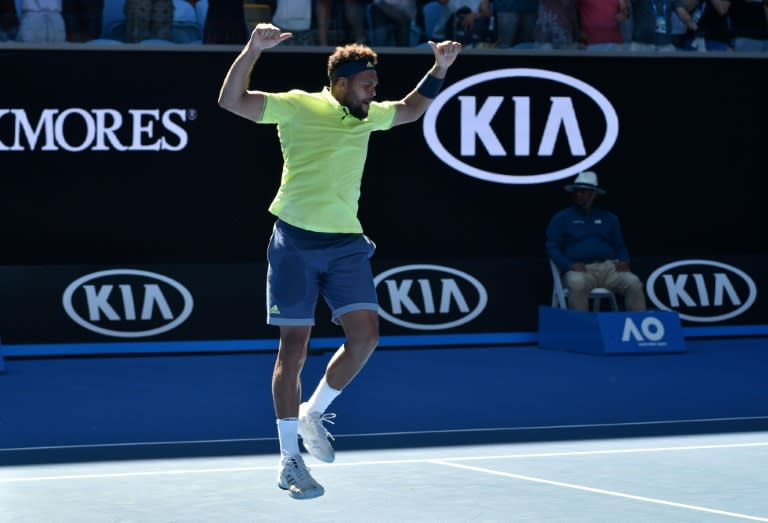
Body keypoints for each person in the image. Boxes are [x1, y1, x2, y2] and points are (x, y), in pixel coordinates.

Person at [218, 23, 462, 500]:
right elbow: (232, 100)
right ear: (342, 82)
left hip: (347, 243)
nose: (375, 92)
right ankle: (289, 459)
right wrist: (252, 49)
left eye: (376, 85)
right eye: (368, 84)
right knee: (293, 351)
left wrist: (441, 68)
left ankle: (314, 411)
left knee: (366, 337)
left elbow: (413, 109)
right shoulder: (298, 104)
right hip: (294, 240)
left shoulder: (368, 115)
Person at [545, 171, 647, 312]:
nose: (578, 194)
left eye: (583, 191)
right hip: (581, 270)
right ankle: (582, 330)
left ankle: (637, 329)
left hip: (609, 267)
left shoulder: (609, 217)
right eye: (576, 191)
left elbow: (619, 245)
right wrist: (568, 265)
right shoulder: (562, 217)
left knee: (634, 283)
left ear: (594, 194)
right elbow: (552, 246)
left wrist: (624, 260)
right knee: (577, 283)